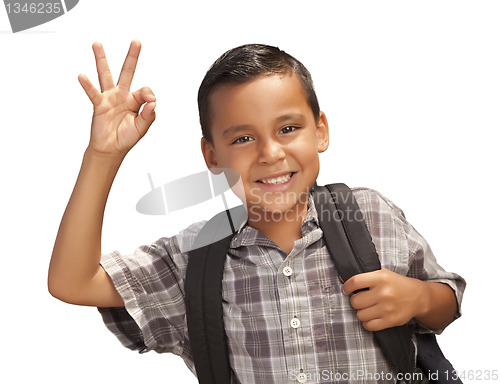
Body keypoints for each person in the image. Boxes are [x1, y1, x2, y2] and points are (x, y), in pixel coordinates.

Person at [48, 40, 465, 383]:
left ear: (320, 130)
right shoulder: (195, 256)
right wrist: (103, 156)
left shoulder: (369, 214)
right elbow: (73, 282)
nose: (270, 153)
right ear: (212, 154)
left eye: (288, 128)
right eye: (243, 137)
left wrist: (420, 297)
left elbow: (447, 298)